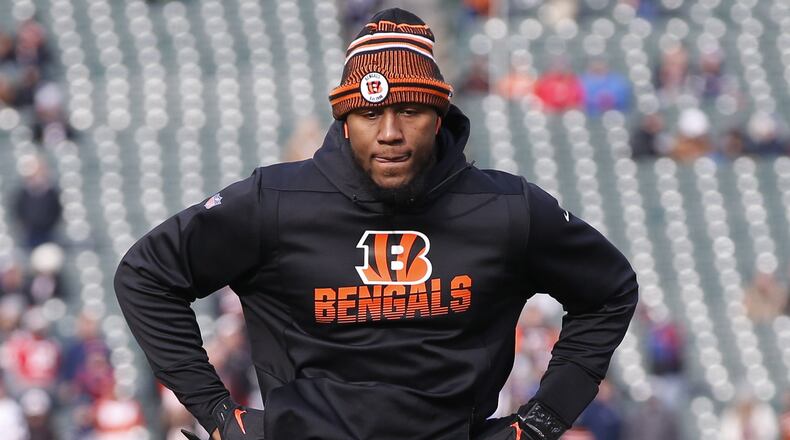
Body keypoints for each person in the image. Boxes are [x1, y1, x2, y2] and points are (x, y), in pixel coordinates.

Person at [114, 8, 638, 440]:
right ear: (344, 120)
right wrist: (217, 414)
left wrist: (544, 421)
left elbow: (610, 290)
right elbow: (146, 275)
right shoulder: (275, 200)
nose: (389, 132)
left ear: (438, 115)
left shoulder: (506, 208)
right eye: (369, 114)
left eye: (409, 110)